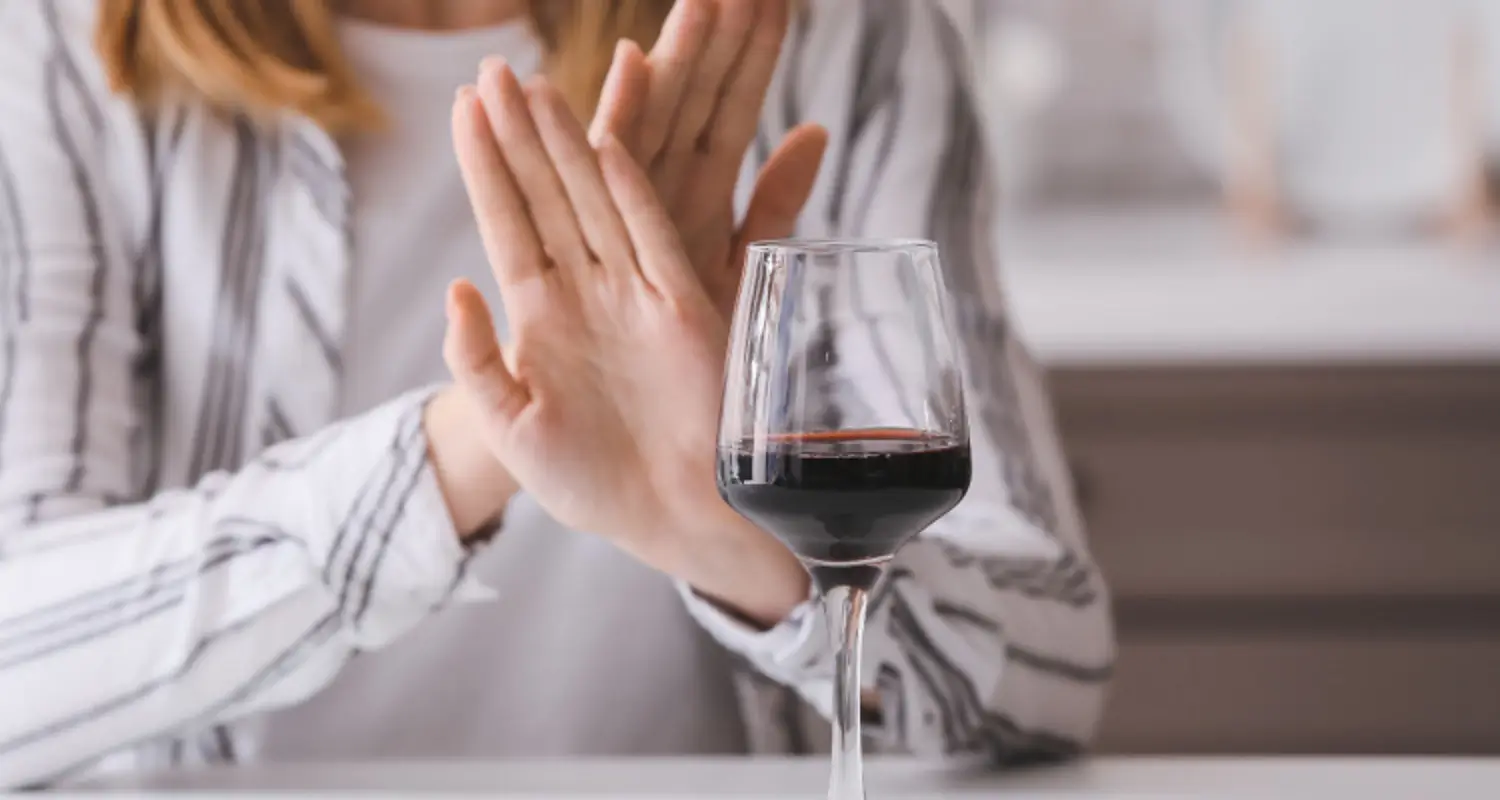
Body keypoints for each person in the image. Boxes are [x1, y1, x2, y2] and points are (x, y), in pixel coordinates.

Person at [0, 0, 1113, 787]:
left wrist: (733, 533)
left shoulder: (845, 40)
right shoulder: (62, 47)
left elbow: (1055, 658)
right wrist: (480, 443)